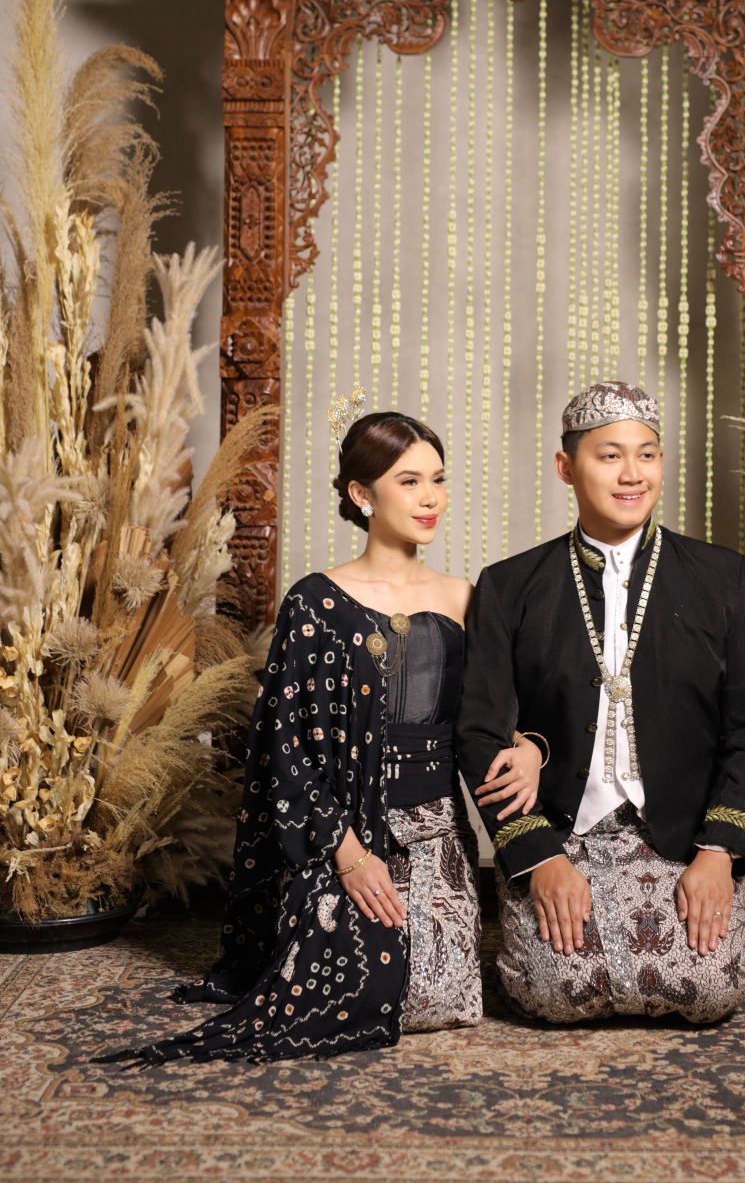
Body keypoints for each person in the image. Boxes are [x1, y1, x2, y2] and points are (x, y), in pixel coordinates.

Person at [101, 397, 541, 1063]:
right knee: (336, 987)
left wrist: (529, 747)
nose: (431, 498)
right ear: (362, 494)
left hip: (436, 830)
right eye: (409, 481)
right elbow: (285, 750)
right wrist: (348, 854)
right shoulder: (315, 601)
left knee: (435, 998)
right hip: (341, 830)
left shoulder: (464, 598)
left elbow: (502, 714)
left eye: (438, 479)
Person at [458, 379, 745, 1024]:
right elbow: (480, 732)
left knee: (710, 989)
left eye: (647, 454)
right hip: (562, 833)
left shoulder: (723, 579)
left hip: (686, 835)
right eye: (609, 456)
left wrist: (718, 853)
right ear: (566, 467)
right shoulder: (509, 586)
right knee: (552, 992)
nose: (632, 474)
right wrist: (539, 858)